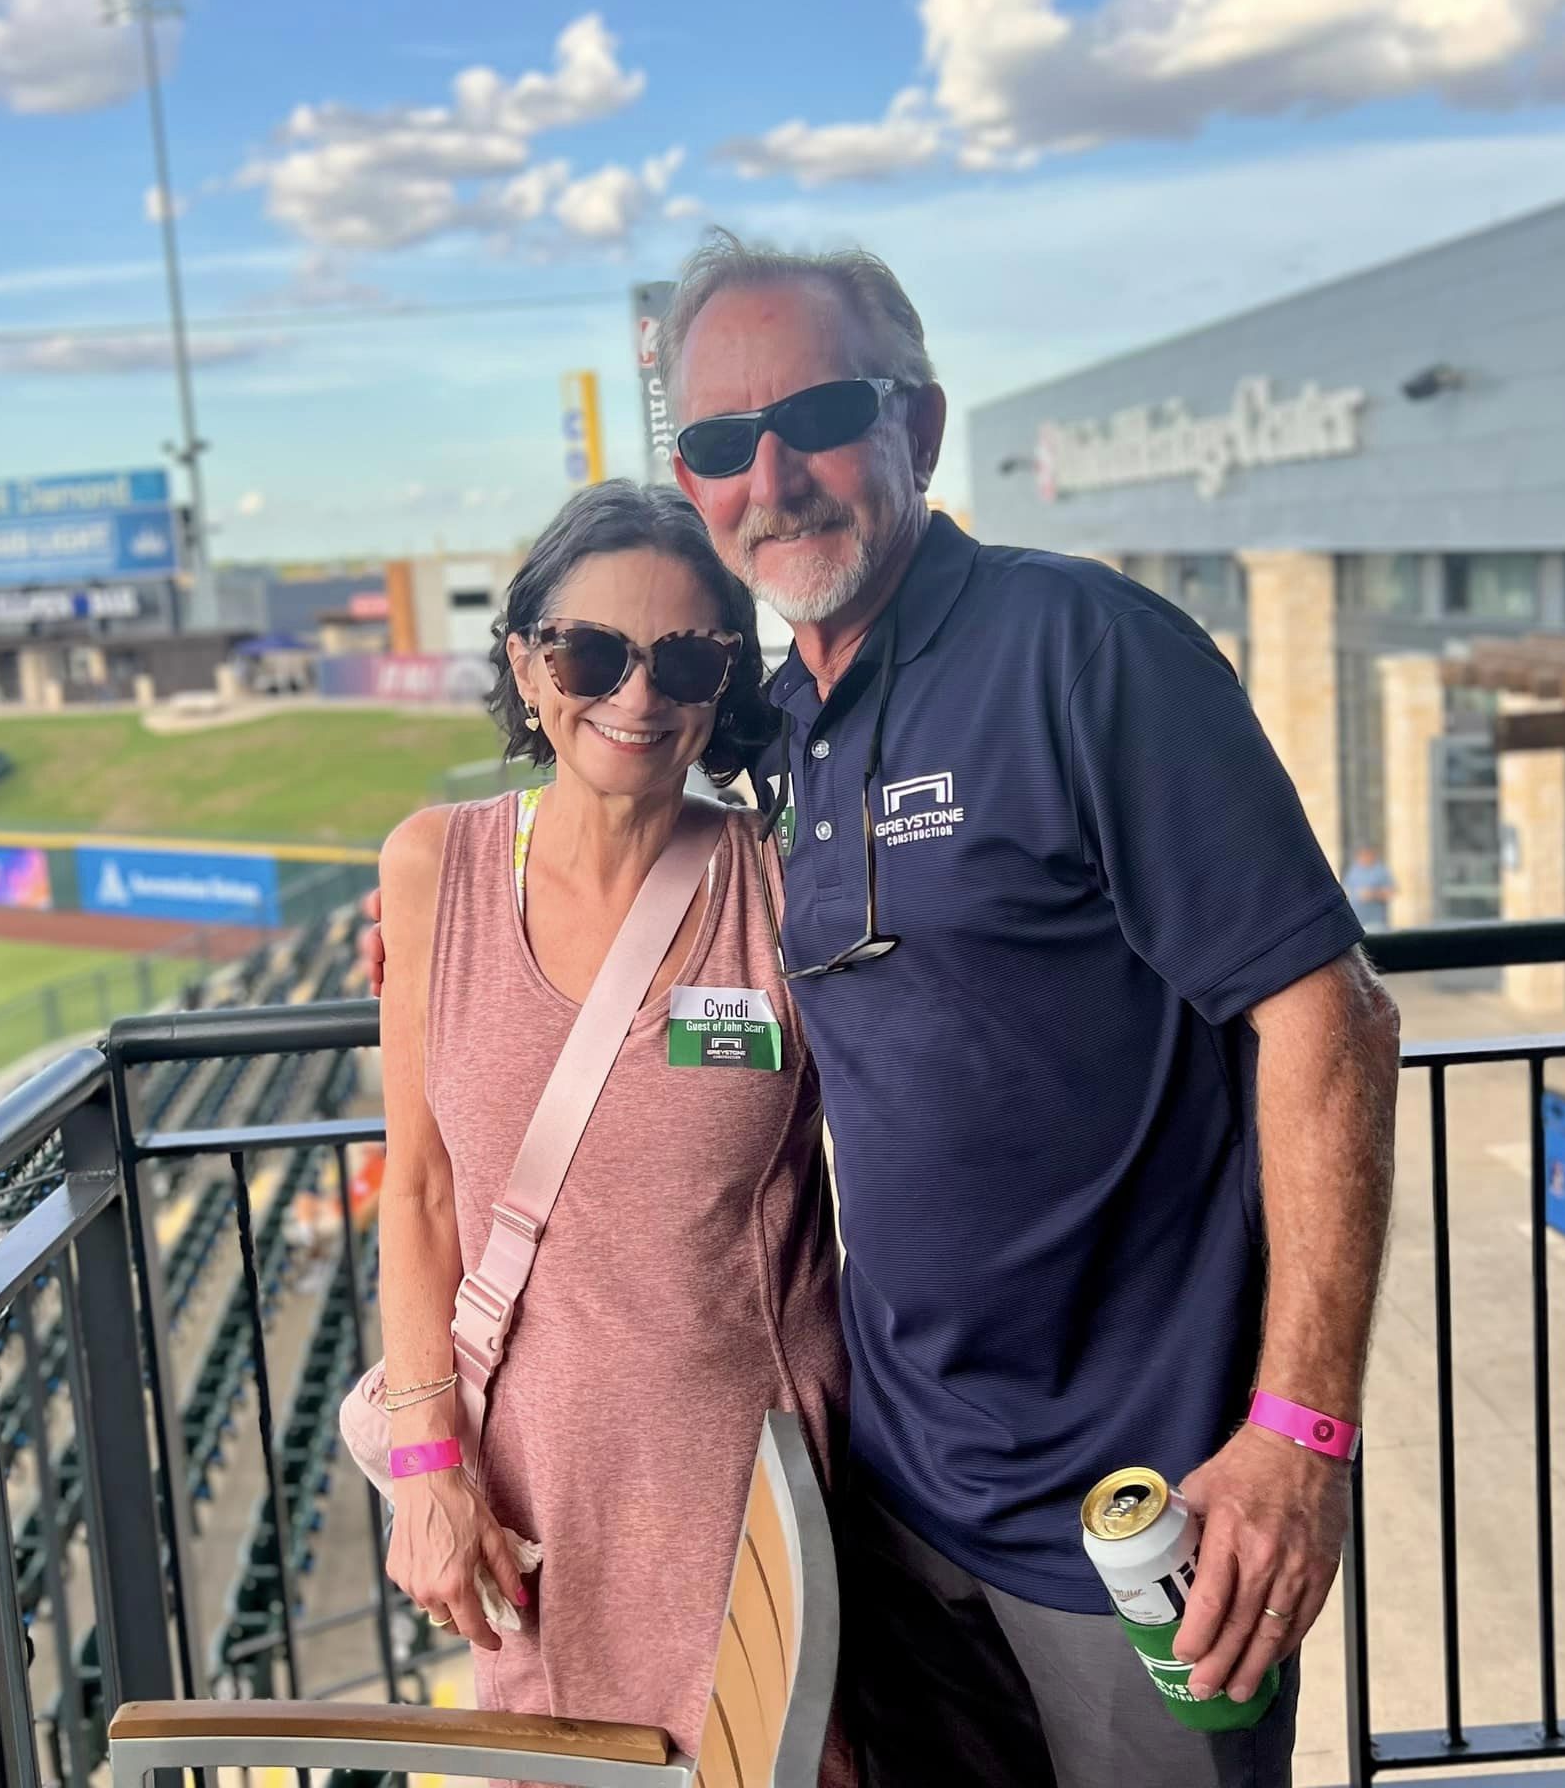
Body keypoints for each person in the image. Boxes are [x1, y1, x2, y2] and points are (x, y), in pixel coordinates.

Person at [369, 233, 1400, 1787]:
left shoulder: (1083, 650)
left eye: (819, 415)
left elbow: (1329, 1019)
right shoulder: (779, 723)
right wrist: (439, 922)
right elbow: (617, 759)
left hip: (1142, 1509)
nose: (769, 475)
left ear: (916, 425)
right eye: (721, 441)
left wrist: (1301, 1434)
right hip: (897, 1501)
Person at [374, 480, 850, 1777]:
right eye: (592, 652)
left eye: (686, 657)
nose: (637, 695)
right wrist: (428, 1465)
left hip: (757, 1501)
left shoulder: (785, 879)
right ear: (528, 666)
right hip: (533, 1509)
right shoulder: (431, 868)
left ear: (721, 685)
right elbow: (415, 1195)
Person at [1342, 844, 1397, 932]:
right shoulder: (1353, 871)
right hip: (1357, 921)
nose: (1364, 857)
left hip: (1376, 922)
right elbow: (1345, 890)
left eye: (1367, 855)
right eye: (1362, 855)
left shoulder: (1381, 871)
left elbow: (1390, 892)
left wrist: (1372, 894)